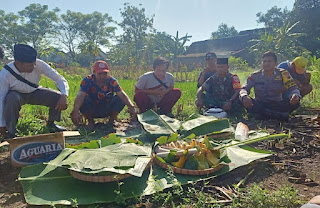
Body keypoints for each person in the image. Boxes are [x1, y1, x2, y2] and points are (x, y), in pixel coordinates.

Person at [0, 44, 69, 139]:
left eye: (34, 63)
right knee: (11, 98)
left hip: (34, 92)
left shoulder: (39, 64)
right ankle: (11, 131)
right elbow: (1, 99)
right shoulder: (5, 74)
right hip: (16, 95)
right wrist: (2, 124)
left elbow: (59, 79)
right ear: (19, 63)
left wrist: (64, 95)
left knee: (57, 96)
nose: (34, 66)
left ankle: (51, 124)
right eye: (30, 65)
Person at [71, 60, 136, 130]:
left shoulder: (112, 81)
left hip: (107, 107)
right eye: (99, 74)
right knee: (84, 99)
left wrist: (131, 106)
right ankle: (91, 122)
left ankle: (112, 120)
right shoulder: (87, 80)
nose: (102, 76)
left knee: (120, 98)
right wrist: (76, 110)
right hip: (92, 108)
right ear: (94, 72)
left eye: (105, 73)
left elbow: (121, 93)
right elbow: (80, 94)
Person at [239, 51, 301, 121]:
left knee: (296, 102)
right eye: (264, 61)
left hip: (277, 104)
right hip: (260, 104)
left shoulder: (283, 73)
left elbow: (293, 88)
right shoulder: (255, 75)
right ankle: (276, 115)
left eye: (269, 61)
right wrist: (245, 96)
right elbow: (244, 88)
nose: (266, 63)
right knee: (241, 99)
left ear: (275, 63)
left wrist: (295, 95)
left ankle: (263, 115)